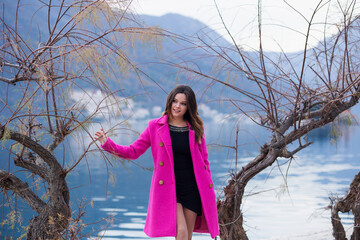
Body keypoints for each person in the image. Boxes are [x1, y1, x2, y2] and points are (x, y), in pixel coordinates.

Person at [94, 85, 219, 240]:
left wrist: (207, 188)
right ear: (169, 102)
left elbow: (205, 161)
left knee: (187, 237)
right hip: (169, 188)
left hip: (192, 188)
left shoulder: (196, 128)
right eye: (175, 101)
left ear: (189, 106)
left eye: (183, 103)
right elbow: (133, 151)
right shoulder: (155, 126)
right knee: (180, 232)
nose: (177, 106)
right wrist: (108, 143)